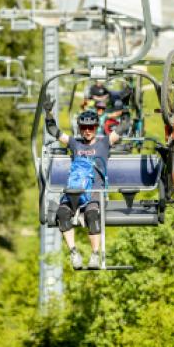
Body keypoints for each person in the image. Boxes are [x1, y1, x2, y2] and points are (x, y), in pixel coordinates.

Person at [43, 94, 129, 269]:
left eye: (90, 127)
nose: (87, 131)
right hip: (74, 190)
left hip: (95, 191)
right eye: (84, 127)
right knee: (62, 213)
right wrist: (48, 113)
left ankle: (95, 255)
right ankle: (74, 253)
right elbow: (54, 131)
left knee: (92, 215)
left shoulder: (104, 143)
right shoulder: (75, 144)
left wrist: (125, 107)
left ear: (96, 127)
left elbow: (124, 126)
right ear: (80, 128)